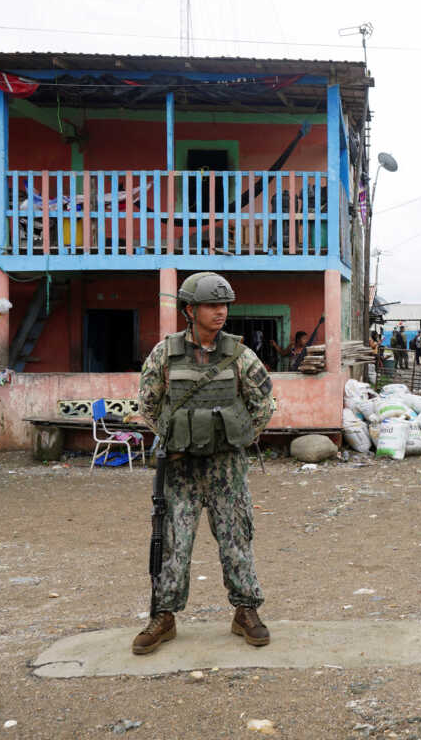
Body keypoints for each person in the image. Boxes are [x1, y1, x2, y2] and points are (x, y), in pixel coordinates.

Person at [134, 272, 275, 655]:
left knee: (236, 536)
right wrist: (176, 436)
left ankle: (245, 610)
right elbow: (147, 402)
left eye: (225, 305)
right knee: (172, 542)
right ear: (190, 310)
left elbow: (264, 403)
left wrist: (235, 436)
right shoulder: (165, 353)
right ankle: (163, 616)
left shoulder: (240, 355)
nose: (221, 312)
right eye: (213, 305)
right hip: (179, 469)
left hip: (226, 467)